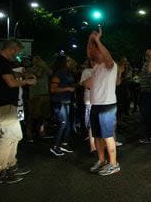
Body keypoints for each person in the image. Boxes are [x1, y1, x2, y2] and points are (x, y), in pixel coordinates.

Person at [0, 40, 36, 184]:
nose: (18, 55)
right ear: (12, 49)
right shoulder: (0, 62)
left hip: (6, 105)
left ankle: (11, 165)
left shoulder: (1, 62)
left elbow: (11, 76)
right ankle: (1, 170)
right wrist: (27, 82)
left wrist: (21, 76)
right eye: (18, 52)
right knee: (7, 137)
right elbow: (11, 83)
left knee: (15, 135)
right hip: (3, 105)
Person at [84, 30, 120, 176]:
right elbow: (89, 54)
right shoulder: (97, 67)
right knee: (97, 136)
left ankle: (114, 164)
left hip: (107, 105)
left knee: (107, 135)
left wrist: (98, 41)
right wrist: (90, 39)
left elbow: (108, 58)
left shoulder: (110, 65)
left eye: (96, 51)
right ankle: (102, 160)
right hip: (96, 104)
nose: (93, 53)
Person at [49, 55, 76, 157]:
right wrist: (68, 89)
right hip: (59, 102)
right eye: (68, 60)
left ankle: (64, 144)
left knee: (68, 124)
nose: (70, 62)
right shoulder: (58, 73)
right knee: (63, 123)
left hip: (66, 101)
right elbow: (53, 89)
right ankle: (55, 146)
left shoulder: (68, 72)